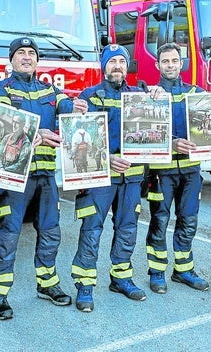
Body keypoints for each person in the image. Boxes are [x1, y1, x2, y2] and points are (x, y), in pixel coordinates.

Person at [0, 36, 88, 320]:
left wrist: (78, 108)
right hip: (13, 176)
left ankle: (47, 283)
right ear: (11, 59)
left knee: (51, 232)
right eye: (21, 53)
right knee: (9, 235)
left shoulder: (49, 91)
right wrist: (37, 135)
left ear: (37, 60)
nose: (27, 57)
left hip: (45, 176)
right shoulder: (0, 90)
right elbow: (4, 123)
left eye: (31, 53)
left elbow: (66, 107)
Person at [71, 44, 147, 313]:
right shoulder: (89, 97)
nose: (117, 66)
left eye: (122, 62)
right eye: (112, 61)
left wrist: (158, 94)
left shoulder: (141, 96)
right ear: (104, 66)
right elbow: (80, 140)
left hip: (133, 177)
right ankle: (85, 284)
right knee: (92, 230)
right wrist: (108, 159)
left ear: (127, 66)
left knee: (127, 229)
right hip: (100, 177)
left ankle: (121, 277)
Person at [145, 42, 209, 294]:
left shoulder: (199, 95)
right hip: (162, 172)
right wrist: (171, 143)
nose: (170, 65)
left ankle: (183, 270)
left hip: (192, 171)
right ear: (157, 64)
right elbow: (144, 133)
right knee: (159, 220)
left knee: (189, 220)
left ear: (181, 63)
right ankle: (157, 272)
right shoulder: (150, 96)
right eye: (165, 61)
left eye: (174, 61)